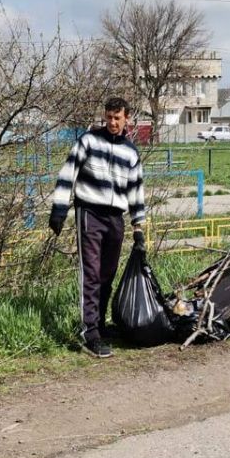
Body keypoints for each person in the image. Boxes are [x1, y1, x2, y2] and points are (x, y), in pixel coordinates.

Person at [48, 97, 147, 359]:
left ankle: (100, 324)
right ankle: (89, 332)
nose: (112, 122)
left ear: (127, 119)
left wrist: (139, 226)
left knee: (107, 273)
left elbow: (136, 191)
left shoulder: (131, 152)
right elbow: (67, 172)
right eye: (109, 117)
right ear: (104, 116)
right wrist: (59, 209)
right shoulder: (88, 141)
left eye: (117, 118)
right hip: (89, 212)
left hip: (116, 218)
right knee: (90, 273)